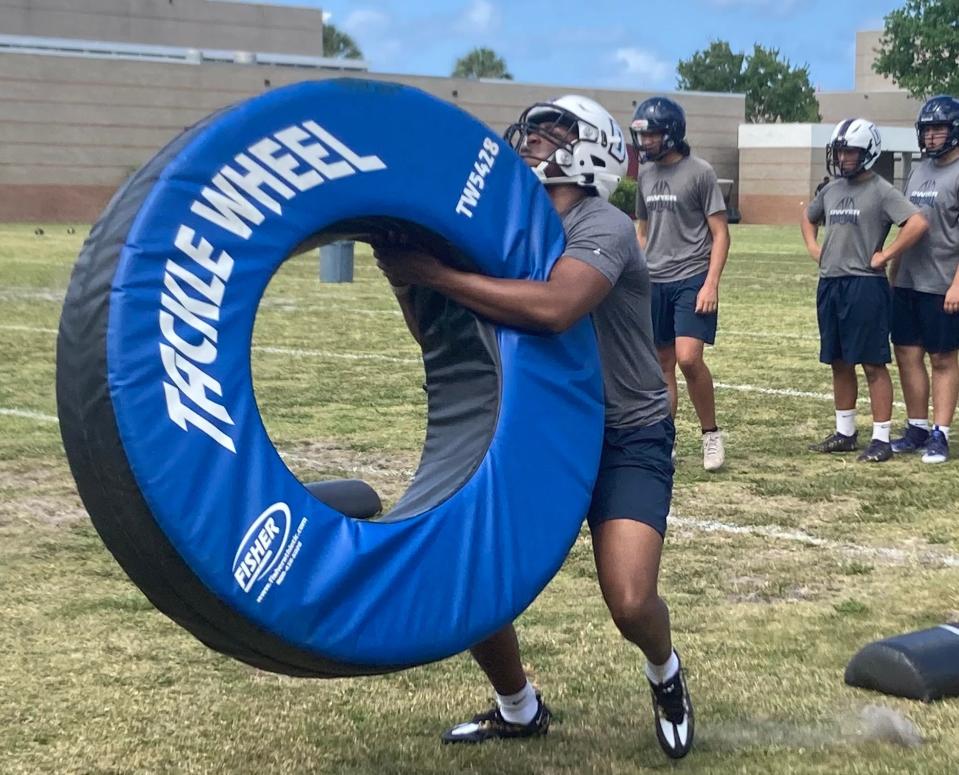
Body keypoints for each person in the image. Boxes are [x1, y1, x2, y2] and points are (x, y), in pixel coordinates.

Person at [374, 95, 693, 759]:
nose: (531, 140)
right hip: (538, 429)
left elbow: (554, 308)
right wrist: (411, 285)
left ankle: (663, 671)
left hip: (624, 431)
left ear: (593, 152)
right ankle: (518, 708)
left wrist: (435, 272)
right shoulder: (506, 227)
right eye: (535, 129)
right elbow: (450, 338)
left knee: (631, 601)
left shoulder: (599, 224)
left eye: (552, 133)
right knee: (472, 575)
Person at [800, 118, 928, 462]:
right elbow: (808, 217)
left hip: (865, 286)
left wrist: (886, 253)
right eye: (839, 151)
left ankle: (881, 438)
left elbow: (917, 222)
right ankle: (845, 432)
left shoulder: (882, 190)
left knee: (872, 363)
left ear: (868, 152)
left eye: (850, 152)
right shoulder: (831, 189)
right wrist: (815, 249)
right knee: (838, 361)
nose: (843, 158)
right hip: (831, 284)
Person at [631, 97, 730, 471]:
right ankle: (665, 440)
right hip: (654, 280)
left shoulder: (701, 172)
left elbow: (720, 234)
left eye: (652, 134)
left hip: (691, 277)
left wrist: (711, 283)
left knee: (690, 359)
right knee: (662, 364)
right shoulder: (644, 175)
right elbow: (642, 234)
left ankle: (710, 434)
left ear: (671, 133)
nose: (646, 142)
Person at [889, 95, 959, 464]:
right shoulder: (918, 170)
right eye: (927, 129)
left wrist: (957, 284)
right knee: (906, 353)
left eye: (938, 129)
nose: (931, 136)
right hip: (908, 280)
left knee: (943, 358)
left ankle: (940, 433)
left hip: (943, 281)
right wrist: (893, 268)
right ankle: (916, 426)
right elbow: (906, 224)